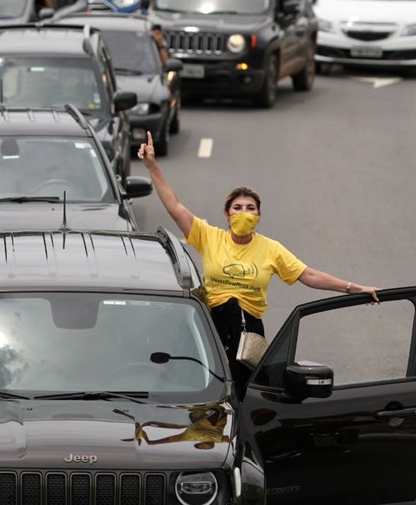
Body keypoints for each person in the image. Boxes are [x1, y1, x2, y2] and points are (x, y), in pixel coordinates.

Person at [137, 132, 380, 397]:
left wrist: (353, 288)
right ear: (227, 215)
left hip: (249, 333)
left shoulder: (270, 248)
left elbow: (308, 275)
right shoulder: (209, 237)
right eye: (238, 207)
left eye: (251, 208)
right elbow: (174, 207)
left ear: (259, 215)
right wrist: (152, 166)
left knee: (245, 396)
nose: (244, 212)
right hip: (213, 327)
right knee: (207, 394)